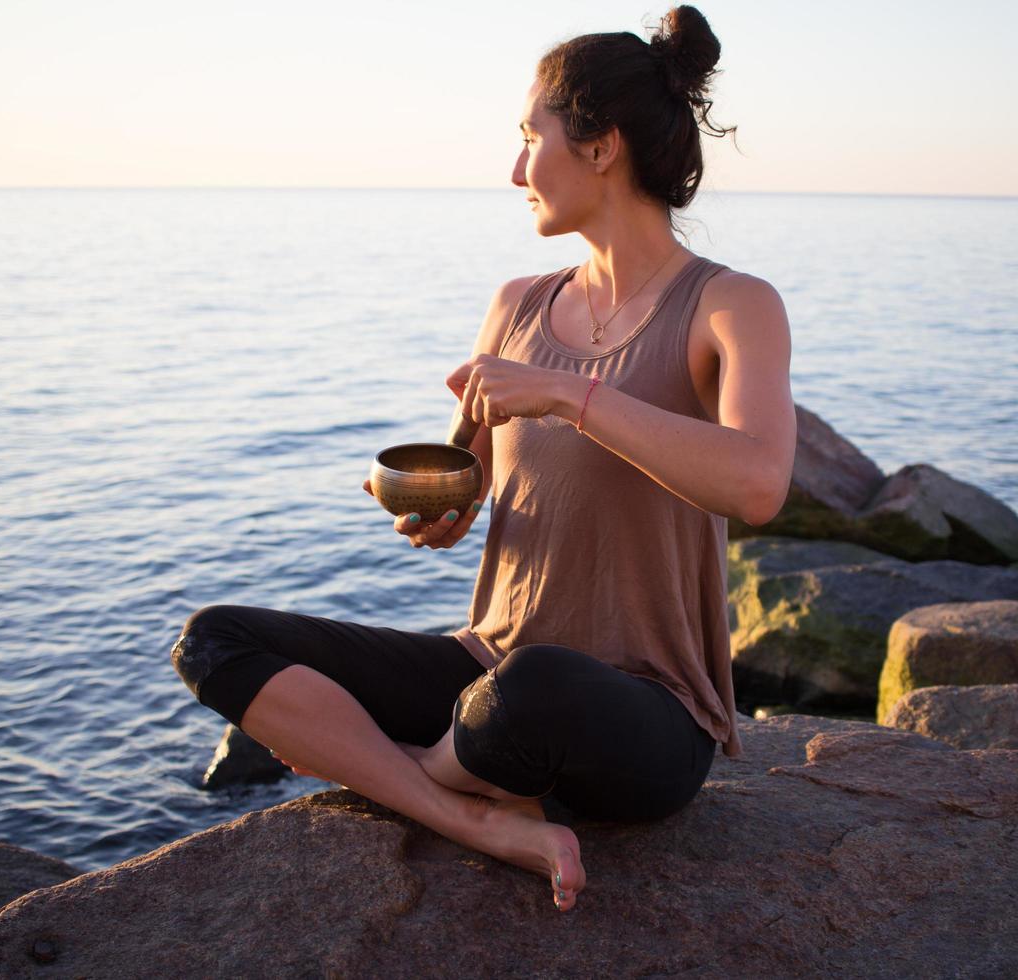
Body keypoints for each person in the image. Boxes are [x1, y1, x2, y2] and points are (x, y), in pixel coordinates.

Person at [169, 5, 794, 913]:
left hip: (642, 717)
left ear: (600, 145)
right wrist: (444, 506)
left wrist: (565, 395)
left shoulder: (731, 305)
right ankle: (467, 813)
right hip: (488, 670)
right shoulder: (517, 305)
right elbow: (480, 482)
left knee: (535, 688)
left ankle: (403, 776)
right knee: (216, 637)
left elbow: (759, 482)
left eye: (528, 137)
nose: (513, 170)